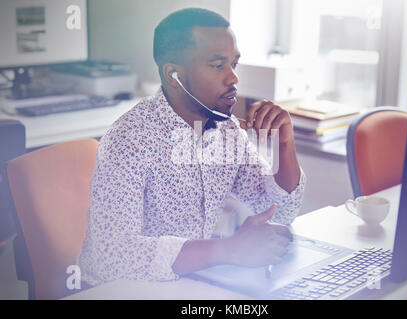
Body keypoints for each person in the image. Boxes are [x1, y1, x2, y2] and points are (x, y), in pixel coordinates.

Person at [77, 8, 306, 286]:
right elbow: (111, 256)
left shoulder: (227, 130)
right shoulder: (130, 138)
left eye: (234, 63)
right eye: (218, 65)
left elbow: (277, 212)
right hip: (121, 291)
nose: (233, 78)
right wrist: (229, 249)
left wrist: (285, 145)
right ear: (174, 75)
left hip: (188, 284)